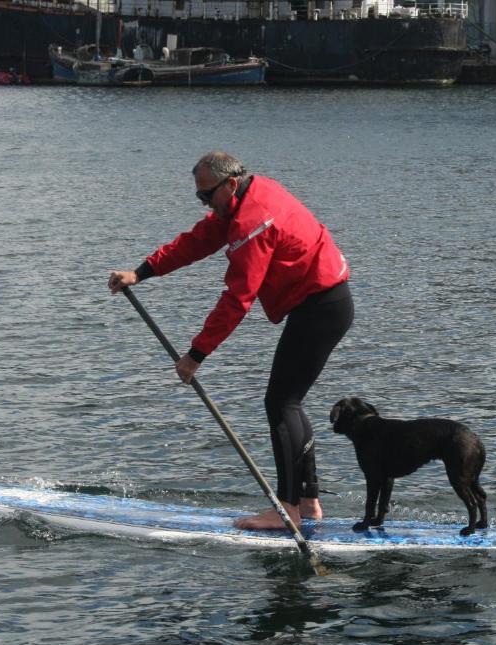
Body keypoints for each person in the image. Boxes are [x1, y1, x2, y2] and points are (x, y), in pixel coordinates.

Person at [108, 151, 354, 530]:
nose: (205, 204)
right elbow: (197, 240)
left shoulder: (254, 221)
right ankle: (307, 503)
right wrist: (142, 272)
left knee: (280, 402)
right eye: (200, 198)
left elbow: (238, 298)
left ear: (231, 184)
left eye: (207, 196)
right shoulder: (245, 199)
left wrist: (196, 355)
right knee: (288, 401)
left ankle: (286, 509)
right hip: (323, 303)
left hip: (322, 307)